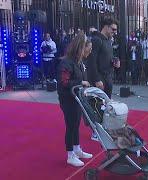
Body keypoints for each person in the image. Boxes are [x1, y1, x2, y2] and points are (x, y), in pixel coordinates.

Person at [57, 33, 93, 167]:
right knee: (71, 125)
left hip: (77, 98)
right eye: (88, 49)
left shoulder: (79, 62)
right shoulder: (66, 62)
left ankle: (77, 149)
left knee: (76, 124)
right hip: (68, 99)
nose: (89, 52)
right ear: (81, 48)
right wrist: (80, 82)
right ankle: (70, 154)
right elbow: (64, 82)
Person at [86, 17, 120, 98]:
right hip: (100, 80)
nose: (115, 32)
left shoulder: (108, 41)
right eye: (113, 29)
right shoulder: (96, 40)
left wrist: (115, 61)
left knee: (106, 106)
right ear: (106, 27)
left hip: (108, 78)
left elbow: (106, 57)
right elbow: (91, 61)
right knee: (98, 106)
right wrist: (97, 79)